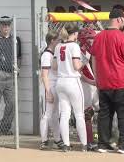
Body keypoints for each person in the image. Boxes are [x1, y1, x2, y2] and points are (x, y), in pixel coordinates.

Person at [90, 9, 124, 154]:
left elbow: (94, 58)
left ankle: (103, 144)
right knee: (123, 113)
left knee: (105, 114)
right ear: (119, 19)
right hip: (121, 81)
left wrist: (97, 78)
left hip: (103, 81)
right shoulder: (121, 37)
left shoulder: (99, 36)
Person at [52, 22, 87, 152]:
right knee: (79, 115)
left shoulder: (58, 46)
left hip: (60, 81)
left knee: (65, 114)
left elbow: (54, 67)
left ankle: (66, 144)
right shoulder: (74, 46)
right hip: (72, 81)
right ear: (74, 33)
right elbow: (77, 66)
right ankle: (84, 144)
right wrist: (85, 61)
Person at [39, 31, 64, 150]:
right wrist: (48, 92)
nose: (59, 41)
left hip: (56, 85)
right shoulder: (46, 55)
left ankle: (57, 139)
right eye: (58, 40)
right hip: (50, 85)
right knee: (47, 114)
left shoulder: (54, 54)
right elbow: (44, 75)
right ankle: (44, 140)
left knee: (55, 115)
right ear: (52, 41)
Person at [0, 16, 21, 136]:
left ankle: (4, 128)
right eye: (3, 25)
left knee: (12, 103)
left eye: (7, 25)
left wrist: (18, 68)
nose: (6, 27)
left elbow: (19, 56)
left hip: (11, 75)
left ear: (11, 26)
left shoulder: (15, 40)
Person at [78, 27, 99, 151]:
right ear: (83, 40)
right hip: (85, 84)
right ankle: (89, 141)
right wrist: (91, 81)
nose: (92, 41)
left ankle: (98, 138)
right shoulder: (81, 51)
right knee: (87, 113)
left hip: (92, 84)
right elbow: (79, 71)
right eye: (89, 39)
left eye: (93, 39)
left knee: (101, 111)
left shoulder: (89, 50)